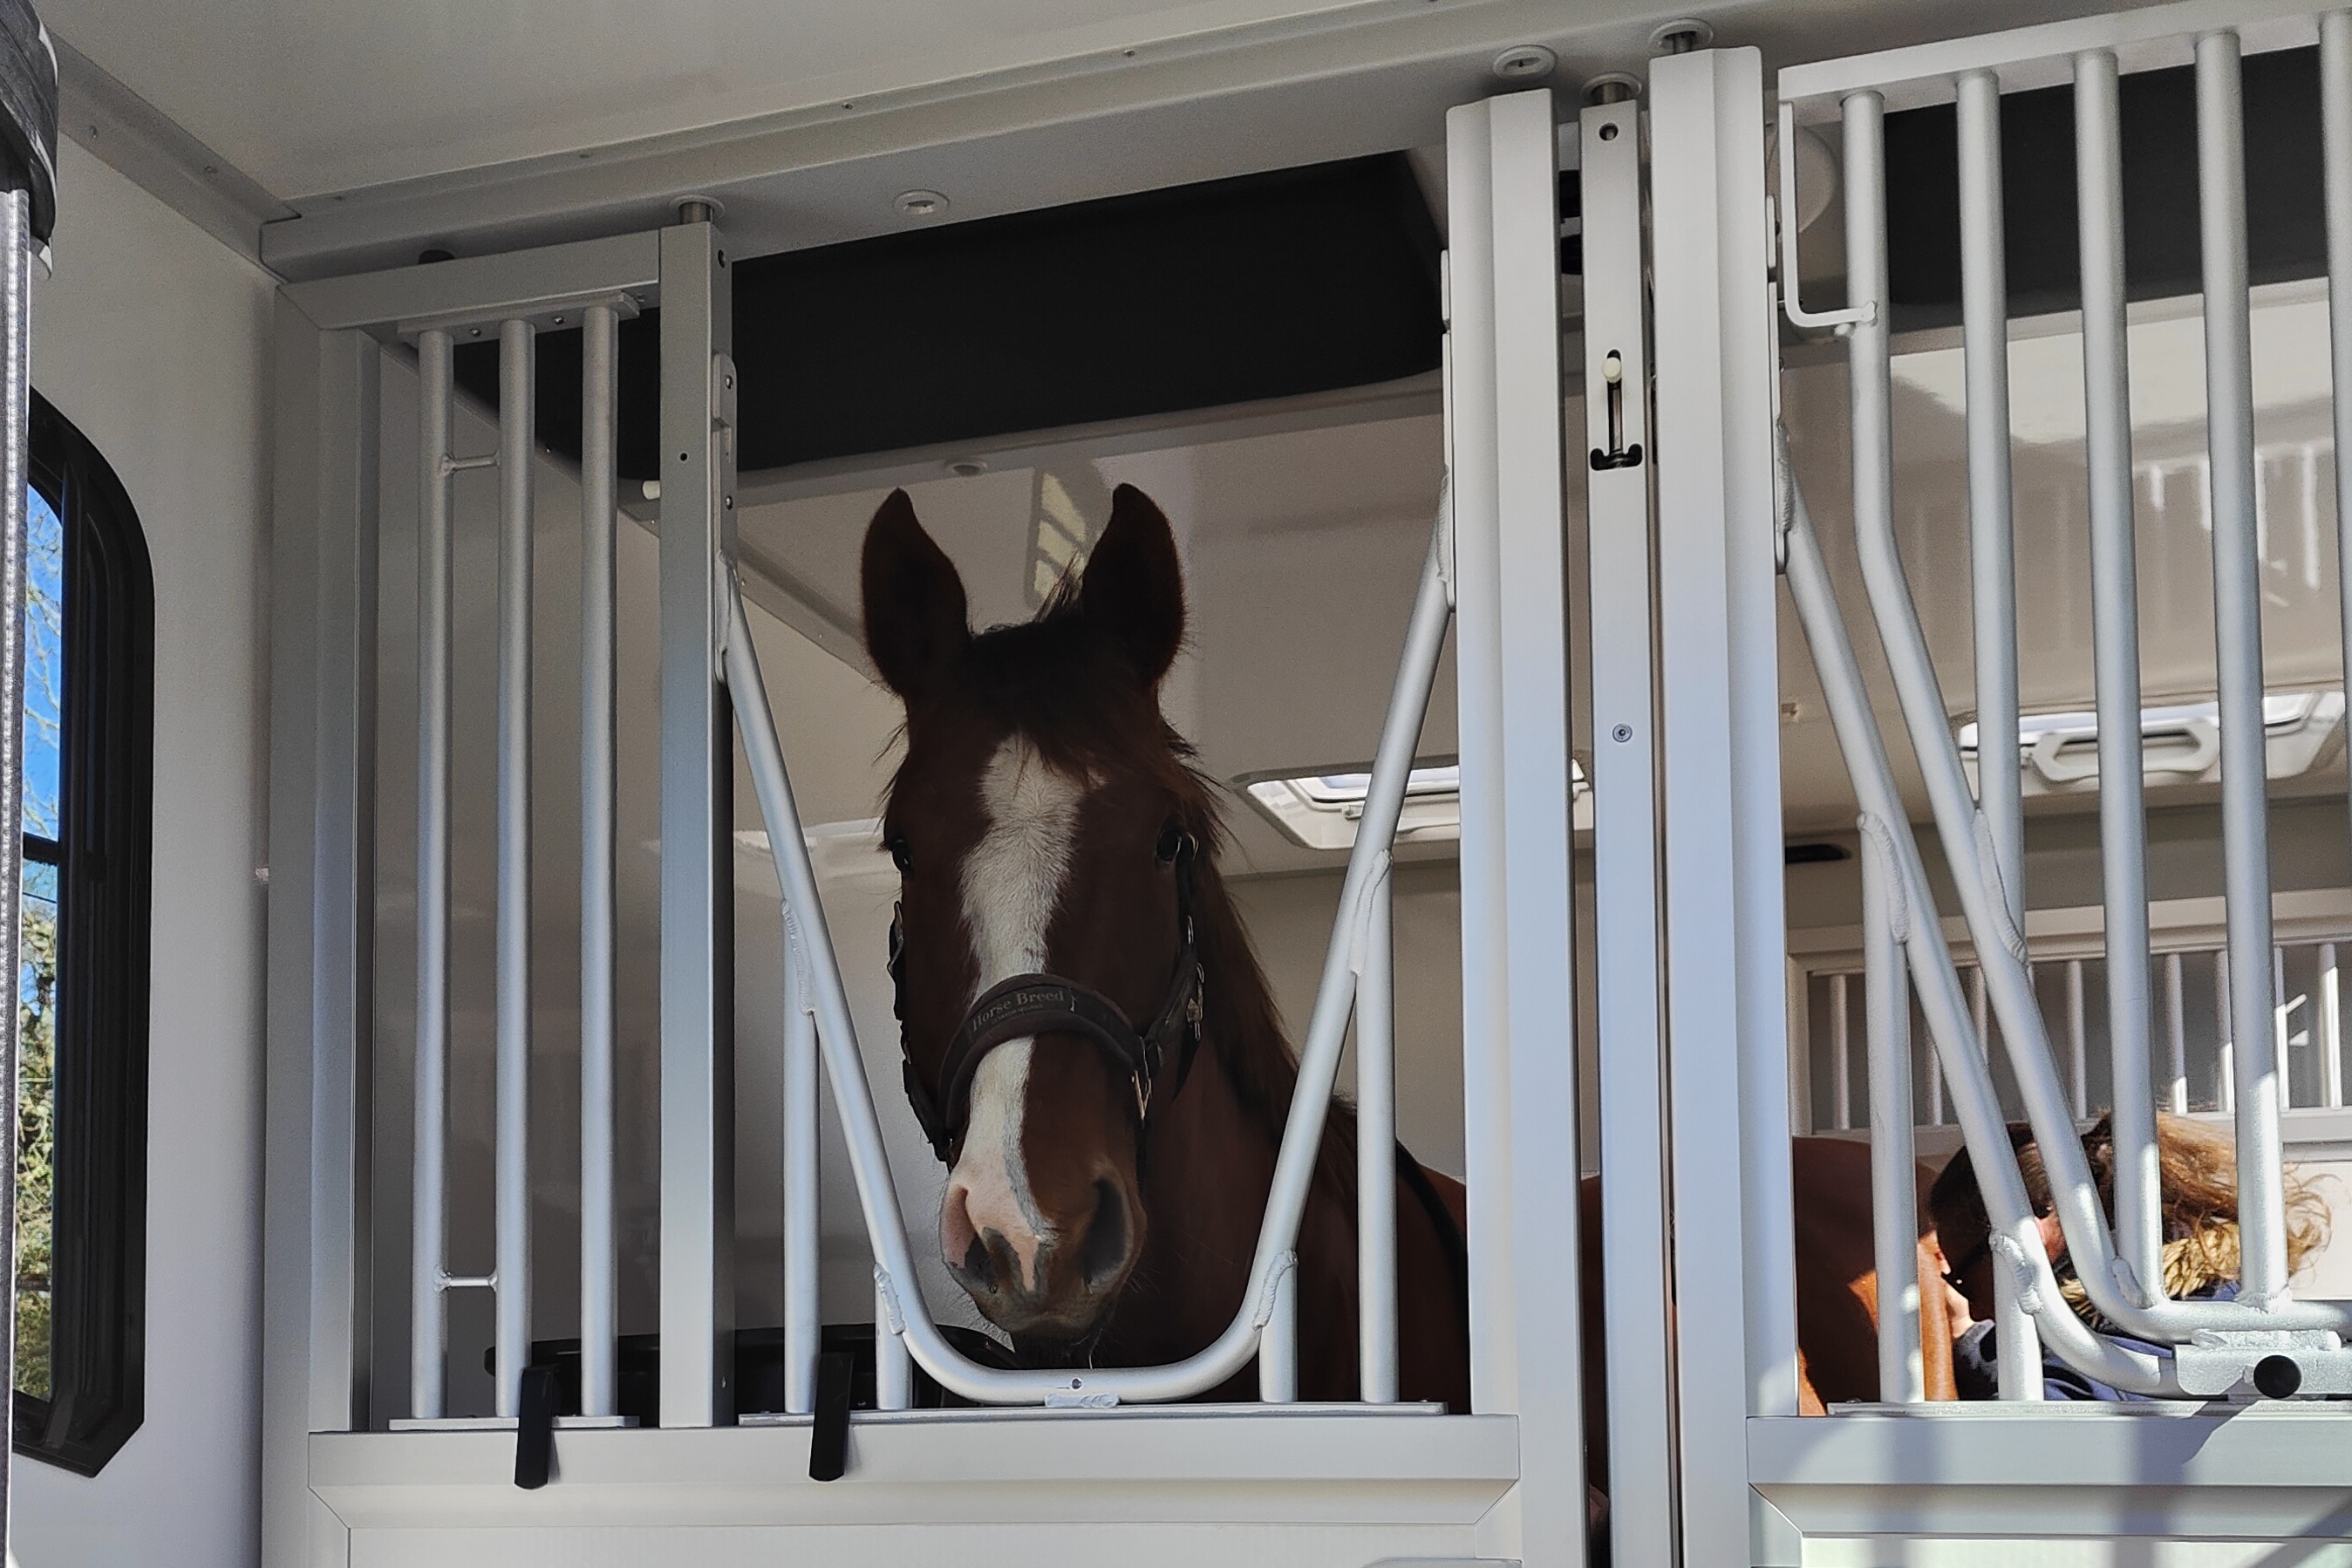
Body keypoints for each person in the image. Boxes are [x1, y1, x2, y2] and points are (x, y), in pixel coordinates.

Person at [1926, 1111, 2331, 1400]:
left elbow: (2051, 1416)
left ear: (2027, 1227)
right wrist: (1967, 1337)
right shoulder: (2134, 1285)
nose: (1976, 1308)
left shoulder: (2149, 1309)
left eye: (1964, 1279)